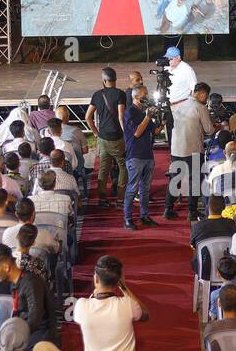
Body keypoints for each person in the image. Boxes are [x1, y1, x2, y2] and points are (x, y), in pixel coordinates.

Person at [167, 81, 214, 220]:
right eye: (206, 96)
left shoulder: (178, 105)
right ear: (202, 94)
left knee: (175, 179)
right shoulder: (200, 107)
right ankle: (191, 211)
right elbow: (209, 130)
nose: (206, 99)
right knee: (195, 180)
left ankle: (168, 208)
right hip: (193, 148)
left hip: (176, 148)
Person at [86, 67, 126, 206]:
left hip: (103, 137)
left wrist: (96, 132)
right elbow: (121, 116)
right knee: (123, 167)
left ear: (104, 81)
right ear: (115, 80)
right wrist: (126, 134)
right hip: (117, 137)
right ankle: (120, 199)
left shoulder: (97, 95)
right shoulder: (120, 94)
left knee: (104, 168)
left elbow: (88, 117)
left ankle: (103, 199)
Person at [122, 83, 160, 230]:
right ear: (136, 96)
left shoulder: (145, 111)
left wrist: (163, 119)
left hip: (148, 155)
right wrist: (147, 116)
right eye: (145, 95)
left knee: (145, 189)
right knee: (132, 188)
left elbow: (155, 131)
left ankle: (144, 216)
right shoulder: (130, 112)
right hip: (135, 156)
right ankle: (128, 218)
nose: (147, 97)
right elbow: (137, 132)